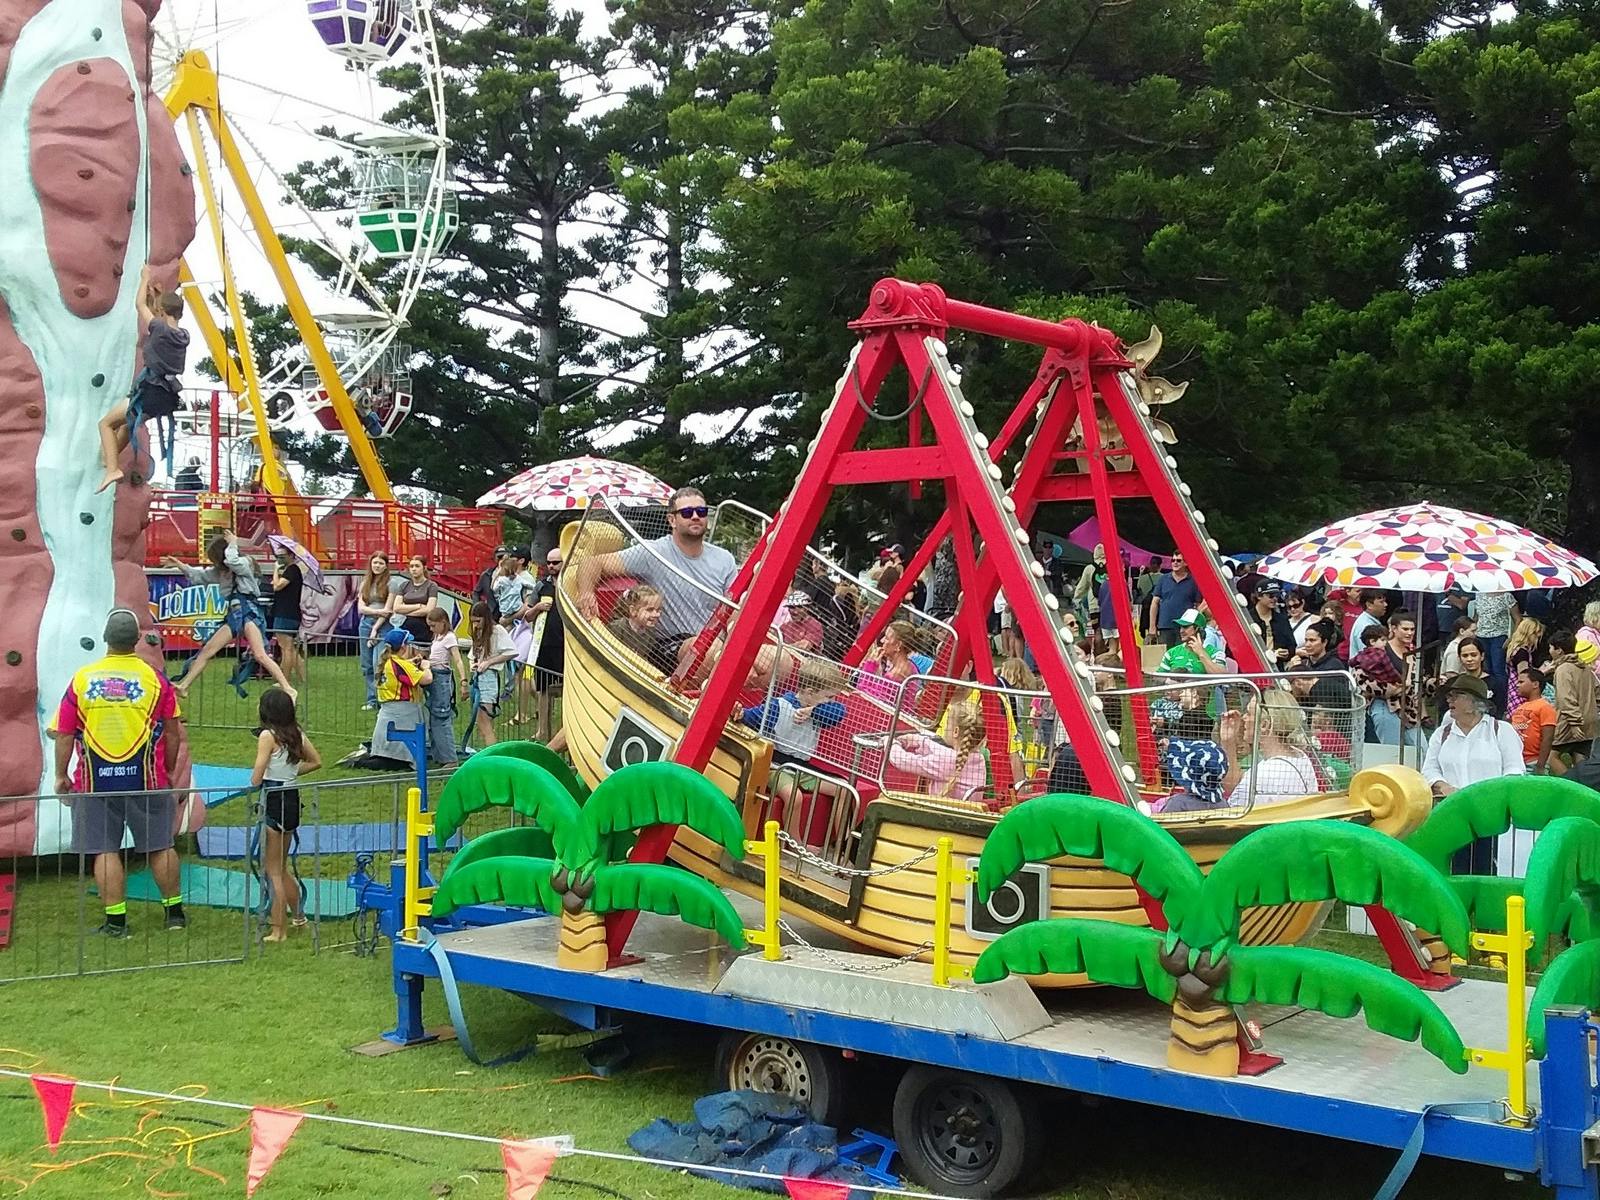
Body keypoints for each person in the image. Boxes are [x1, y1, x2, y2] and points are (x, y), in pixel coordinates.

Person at [51, 609, 187, 936]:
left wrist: (60, 775)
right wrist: (166, 768)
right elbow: (172, 732)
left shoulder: (82, 679)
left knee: (105, 849)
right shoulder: (156, 679)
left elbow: (65, 734)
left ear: (106, 639)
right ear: (137, 640)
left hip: (95, 780)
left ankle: (116, 922)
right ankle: (175, 915)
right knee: (159, 845)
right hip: (147, 777)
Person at [574, 487, 742, 678]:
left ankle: (762, 706)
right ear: (672, 520)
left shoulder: (725, 558)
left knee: (777, 657)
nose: (695, 516)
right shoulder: (653, 552)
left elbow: (734, 610)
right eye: (687, 513)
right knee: (709, 650)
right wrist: (586, 593)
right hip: (670, 647)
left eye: (701, 512)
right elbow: (594, 562)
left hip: (718, 644)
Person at [164, 530, 297, 701]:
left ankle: (288, 688)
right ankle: (184, 686)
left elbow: (233, 561)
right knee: (208, 650)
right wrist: (180, 565)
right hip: (234, 615)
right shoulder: (221, 571)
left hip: (249, 612)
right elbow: (200, 576)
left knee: (260, 654)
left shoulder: (244, 562)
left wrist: (233, 542)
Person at [97, 266, 189, 493]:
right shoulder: (183, 335)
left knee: (106, 424)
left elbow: (140, 306)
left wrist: (144, 279)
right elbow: (162, 314)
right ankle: (106, 460)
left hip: (150, 391)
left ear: (161, 312)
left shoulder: (158, 328)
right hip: (167, 397)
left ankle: (112, 469)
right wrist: (157, 297)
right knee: (128, 425)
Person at [1421, 673, 1524, 874]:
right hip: (1453, 814)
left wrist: (1490, 794)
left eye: (1457, 695)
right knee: (1456, 869)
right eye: (1449, 696)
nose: (1449, 700)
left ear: (1474, 702)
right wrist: (1444, 786)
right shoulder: (1442, 734)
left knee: (1487, 869)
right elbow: (1429, 770)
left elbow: (1515, 770)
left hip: (1490, 816)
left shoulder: (1501, 730)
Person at [250, 688, 321, 942]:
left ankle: (278, 930)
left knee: (273, 871)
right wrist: (289, 773)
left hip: (273, 798)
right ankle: (299, 917)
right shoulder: (296, 734)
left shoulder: (268, 736)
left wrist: (261, 778)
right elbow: (316, 761)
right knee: (280, 865)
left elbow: (257, 774)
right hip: (291, 798)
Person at [1216, 689, 1322, 806]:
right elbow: (1236, 785)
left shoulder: (1262, 775)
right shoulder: (1301, 757)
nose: (1243, 718)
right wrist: (1228, 741)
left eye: (1249, 713)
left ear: (1264, 725)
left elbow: (1233, 810)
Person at [350, 628, 433, 768]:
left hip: (389, 712)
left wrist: (413, 662)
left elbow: (403, 669)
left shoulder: (387, 661)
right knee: (398, 760)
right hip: (402, 714)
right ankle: (361, 763)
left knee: (387, 754)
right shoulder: (401, 665)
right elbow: (427, 679)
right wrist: (426, 667)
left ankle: (365, 759)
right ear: (403, 647)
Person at [889, 699, 988, 801]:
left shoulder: (946, 760)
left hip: (941, 814)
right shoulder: (979, 759)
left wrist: (890, 743)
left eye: (947, 724)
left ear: (956, 731)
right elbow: (944, 754)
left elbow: (901, 760)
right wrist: (919, 740)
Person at [1355, 609, 1423, 747]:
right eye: (1405, 629)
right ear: (1393, 628)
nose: (1410, 633)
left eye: (1412, 629)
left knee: (1422, 752)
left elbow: (1417, 680)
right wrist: (1392, 690)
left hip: (1408, 709)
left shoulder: (1412, 652)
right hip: (1384, 706)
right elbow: (1361, 677)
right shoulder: (1380, 650)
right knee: (1393, 753)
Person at [530, 545, 568, 753]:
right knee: (543, 688)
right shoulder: (540, 586)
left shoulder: (570, 584)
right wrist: (536, 608)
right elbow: (526, 614)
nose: (551, 566)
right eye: (549, 563)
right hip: (543, 644)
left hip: (566, 645)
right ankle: (542, 730)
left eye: (556, 562)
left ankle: (566, 729)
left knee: (567, 688)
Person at [466, 601, 518, 749]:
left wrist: (489, 662)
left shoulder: (498, 630)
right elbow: (472, 655)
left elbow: (512, 651)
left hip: (489, 679)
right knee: (480, 723)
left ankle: (493, 754)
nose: (475, 624)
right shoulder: (478, 632)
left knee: (485, 723)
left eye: (478, 621)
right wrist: (473, 665)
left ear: (486, 618)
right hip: (478, 678)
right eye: (473, 621)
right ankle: (490, 752)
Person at [423, 607, 466, 765]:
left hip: (441, 679)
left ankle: (450, 759)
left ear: (443, 622)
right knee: (433, 718)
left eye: (433, 626)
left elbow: (458, 660)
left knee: (441, 718)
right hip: (433, 676)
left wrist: (463, 681)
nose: (431, 629)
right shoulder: (437, 636)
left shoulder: (449, 638)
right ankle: (439, 756)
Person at [1549, 630, 1596, 771]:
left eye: (1551, 647)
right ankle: (1582, 786)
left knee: (1550, 757)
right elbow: (1597, 691)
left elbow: (1565, 698)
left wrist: (1574, 722)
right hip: (1589, 722)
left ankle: (1569, 784)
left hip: (1570, 722)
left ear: (1559, 650)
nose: (1549, 651)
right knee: (1579, 757)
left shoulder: (1563, 669)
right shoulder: (1586, 668)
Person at [357, 552, 393, 710]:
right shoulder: (365, 582)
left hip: (383, 625)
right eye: (375, 563)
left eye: (380, 563)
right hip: (365, 624)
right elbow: (361, 607)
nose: (377, 566)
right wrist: (377, 612)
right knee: (366, 664)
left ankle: (382, 697)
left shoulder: (391, 583)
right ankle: (372, 699)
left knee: (378, 662)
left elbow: (388, 611)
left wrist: (375, 628)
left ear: (386, 566)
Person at [268, 546, 306, 687]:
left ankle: (285, 680)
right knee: (291, 648)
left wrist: (275, 570)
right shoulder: (292, 571)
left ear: (291, 555)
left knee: (286, 648)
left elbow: (277, 586)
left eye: (282, 556)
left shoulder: (292, 570)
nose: (279, 559)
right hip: (289, 613)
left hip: (286, 614)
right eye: (277, 556)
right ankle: (303, 678)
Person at [1510, 666, 1557, 775]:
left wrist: (1541, 765)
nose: (1517, 685)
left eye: (1521, 682)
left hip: (1534, 761)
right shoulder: (1519, 708)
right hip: (1519, 761)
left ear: (1535, 684)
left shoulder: (1545, 707)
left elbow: (1548, 738)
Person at [1148, 551, 1201, 646]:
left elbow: (1198, 606)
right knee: (1165, 656)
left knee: (1183, 655)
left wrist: (1194, 626)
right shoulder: (1163, 579)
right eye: (1173, 560)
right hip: (1165, 626)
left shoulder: (1193, 581)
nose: (1175, 563)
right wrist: (1152, 626)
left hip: (1185, 627)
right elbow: (1154, 603)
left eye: (1178, 560)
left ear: (1186, 563)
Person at [1156, 609, 1226, 676]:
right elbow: (1158, 678)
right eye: (1180, 627)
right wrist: (1170, 681)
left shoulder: (1215, 653)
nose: (1181, 631)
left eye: (1185, 627)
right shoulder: (1171, 653)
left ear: (1198, 629)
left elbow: (1222, 677)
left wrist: (1201, 653)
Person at [388, 555, 438, 643]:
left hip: (424, 628)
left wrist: (406, 611)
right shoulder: (404, 585)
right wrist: (419, 606)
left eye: (417, 566)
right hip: (405, 626)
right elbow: (396, 608)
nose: (414, 569)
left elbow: (429, 610)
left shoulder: (431, 586)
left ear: (424, 568)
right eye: (411, 566)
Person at [1473, 591, 1518, 678]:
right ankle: (1488, 690)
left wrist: (1512, 638)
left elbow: (1517, 619)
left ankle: (1500, 691)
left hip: (1499, 637)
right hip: (1480, 637)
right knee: (1484, 669)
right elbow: (1476, 617)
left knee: (1498, 669)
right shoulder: (1479, 595)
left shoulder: (1506, 596)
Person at [1250, 580, 1296, 665]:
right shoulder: (1248, 618)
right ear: (1259, 596)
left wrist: (1287, 653)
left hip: (1276, 667)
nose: (1274, 599)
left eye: (1277, 595)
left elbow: (1292, 645)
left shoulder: (1281, 619)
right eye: (1271, 595)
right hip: (1252, 666)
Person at [1346, 590, 1389, 658]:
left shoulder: (1371, 620)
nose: (1386, 604)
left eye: (1385, 601)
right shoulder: (1364, 626)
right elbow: (1367, 657)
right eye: (1381, 602)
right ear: (1369, 605)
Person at [474, 545, 509, 621]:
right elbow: (476, 592)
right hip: (491, 614)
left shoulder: (514, 575)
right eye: (499, 557)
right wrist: (477, 607)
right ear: (494, 558)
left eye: (504, 557)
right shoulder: (486, 575)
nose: (502, 560)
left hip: (508, 614)